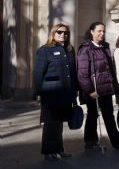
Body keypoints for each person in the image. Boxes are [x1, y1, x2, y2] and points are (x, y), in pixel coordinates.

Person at [76, 22, 119, 150]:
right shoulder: (86, 49)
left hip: (105, 89)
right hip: (93, 90)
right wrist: (90, 91)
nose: (102, 34)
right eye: (99, 31)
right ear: (92, 32)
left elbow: (110, 69)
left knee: (108, 115)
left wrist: (115, 87)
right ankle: (90, 142)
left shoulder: (105, 47)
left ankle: (117, 142)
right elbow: (82, 73)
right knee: (93, 115)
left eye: (103, 31)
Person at [33, 24, 79, 161]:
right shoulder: (45, 50)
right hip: (50, 93)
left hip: (65, 93)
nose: (62, 35)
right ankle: (48, 151)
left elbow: (72, 72)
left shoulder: (70, 50)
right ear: (53, 33)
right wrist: (38, 92)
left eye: (65, 33)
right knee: (50, 123)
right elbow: (38, 73)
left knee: (59, 123)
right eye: (59, 32)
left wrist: (75, 90)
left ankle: (59, 149)